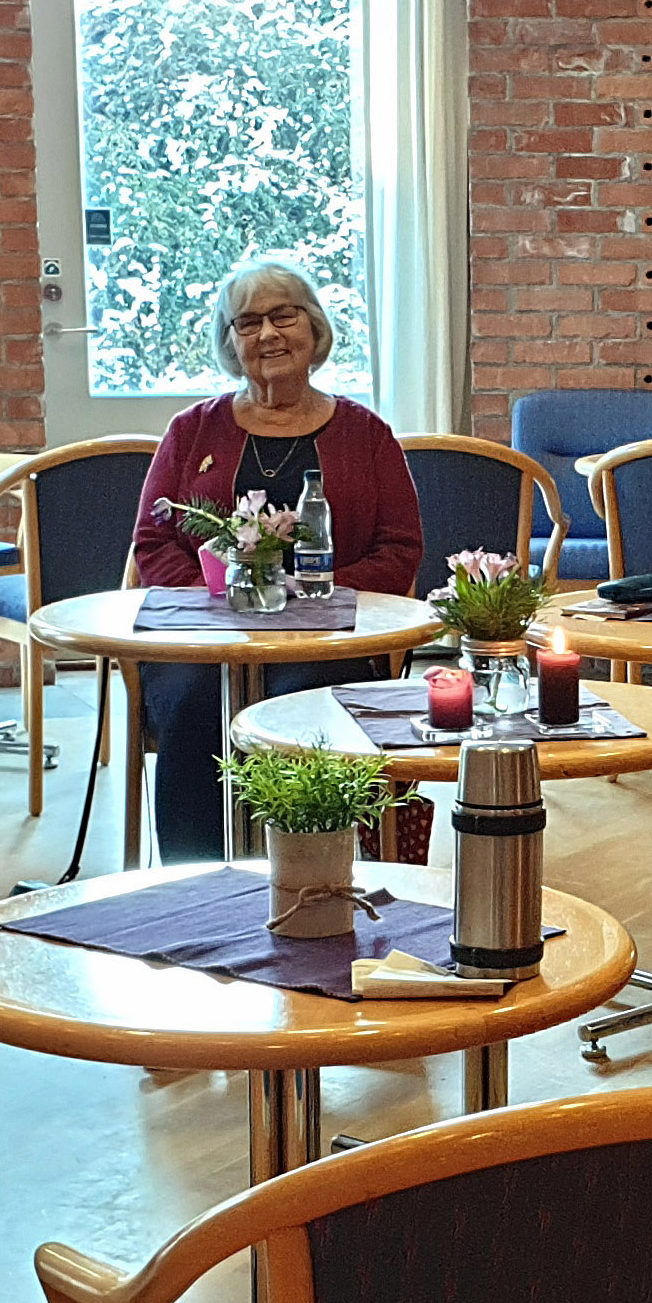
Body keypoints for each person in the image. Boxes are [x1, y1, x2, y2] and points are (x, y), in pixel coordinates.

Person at [128, 257, 423, 861]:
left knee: (303, 700)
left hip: (328, 642)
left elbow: (399, 547)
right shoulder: (191, 431)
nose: (267, 334)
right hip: (202, 641)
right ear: (231, 343)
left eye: (283, 316)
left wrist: (315, 595)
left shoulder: (366, 434)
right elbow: (152, 540)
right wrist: (217, 596)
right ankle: (196, 883)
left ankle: (308, 876)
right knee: (193, 700)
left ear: (313, 330)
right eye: (248, 322)